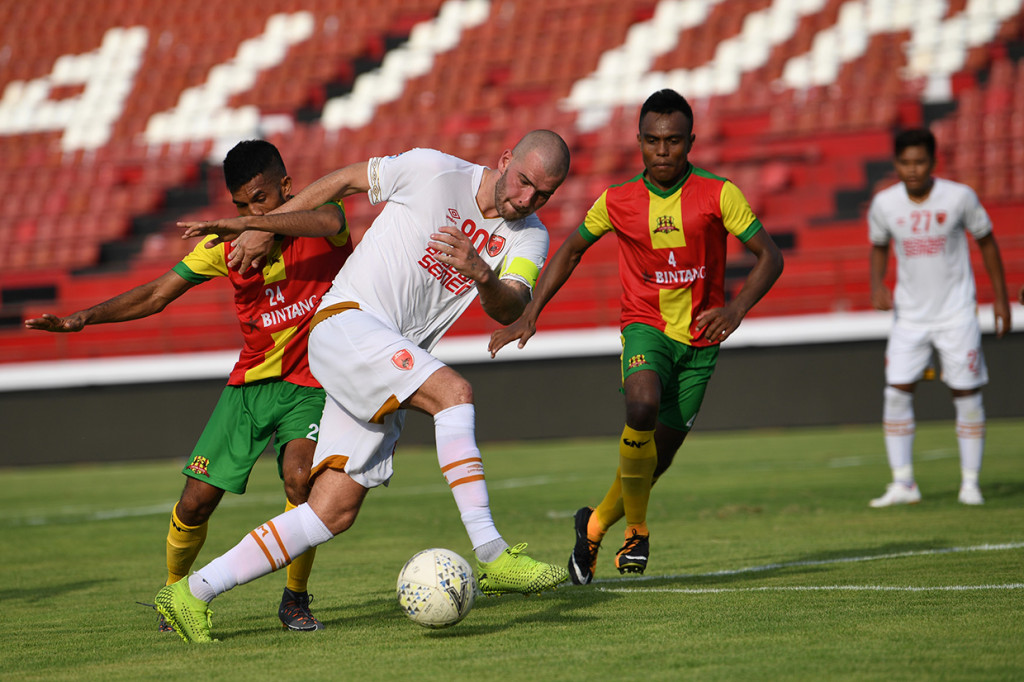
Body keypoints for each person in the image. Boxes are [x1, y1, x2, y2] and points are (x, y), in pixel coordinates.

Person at [154, 130, 572, 643]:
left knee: (331, 512)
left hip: (387, 356)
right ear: (505, 158)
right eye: (524, 181)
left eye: (543, 193)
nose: (527, 198)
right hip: (347, 322)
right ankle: (492, 553)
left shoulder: (530, 235)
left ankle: (189, 593)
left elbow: (510, 304)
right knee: (454, 393)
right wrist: (265, 228)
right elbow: (347, 180)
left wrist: (482, 274)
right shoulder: (433, 170)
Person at [26, 140, 352, 631]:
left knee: (301, 478)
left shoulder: (325, 219)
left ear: (286, 187)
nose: (248, 212)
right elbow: (158, 294)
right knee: (194, 503)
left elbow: (328, 220)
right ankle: (173, 594)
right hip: (248, 388)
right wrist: (83, 318)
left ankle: (295, 598)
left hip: (312, 382)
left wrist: (261, 227)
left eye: (260, 199)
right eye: (240, 206)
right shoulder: (224, 247)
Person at [490, 90, 784, 585]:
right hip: (644, 325)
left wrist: (736, 308)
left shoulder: (719, 193)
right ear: (639, 142)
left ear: (690, 141)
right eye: (652, 141)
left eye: (672, 141)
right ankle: (639, 530)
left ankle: (596, 524)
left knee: (656, 459)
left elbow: (770, 256)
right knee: (641, 408)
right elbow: (570, 251)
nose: (662, 151)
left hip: (700, 340)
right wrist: (531, 313)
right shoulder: (618, 200)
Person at [867, 128, 1010, 508]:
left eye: (920, 162)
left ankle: (970, 483)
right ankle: (903, 484)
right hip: (909, 316)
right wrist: (877, 283)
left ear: (933, 162)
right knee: (895, 393)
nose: (912, 170)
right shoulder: (884, 204)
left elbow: (988, 243)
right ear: (895, 163)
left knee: (965, 393)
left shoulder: (960, 197)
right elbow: (879, 246)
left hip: (956, 313)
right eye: (905, 162)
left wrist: (1000, 299)